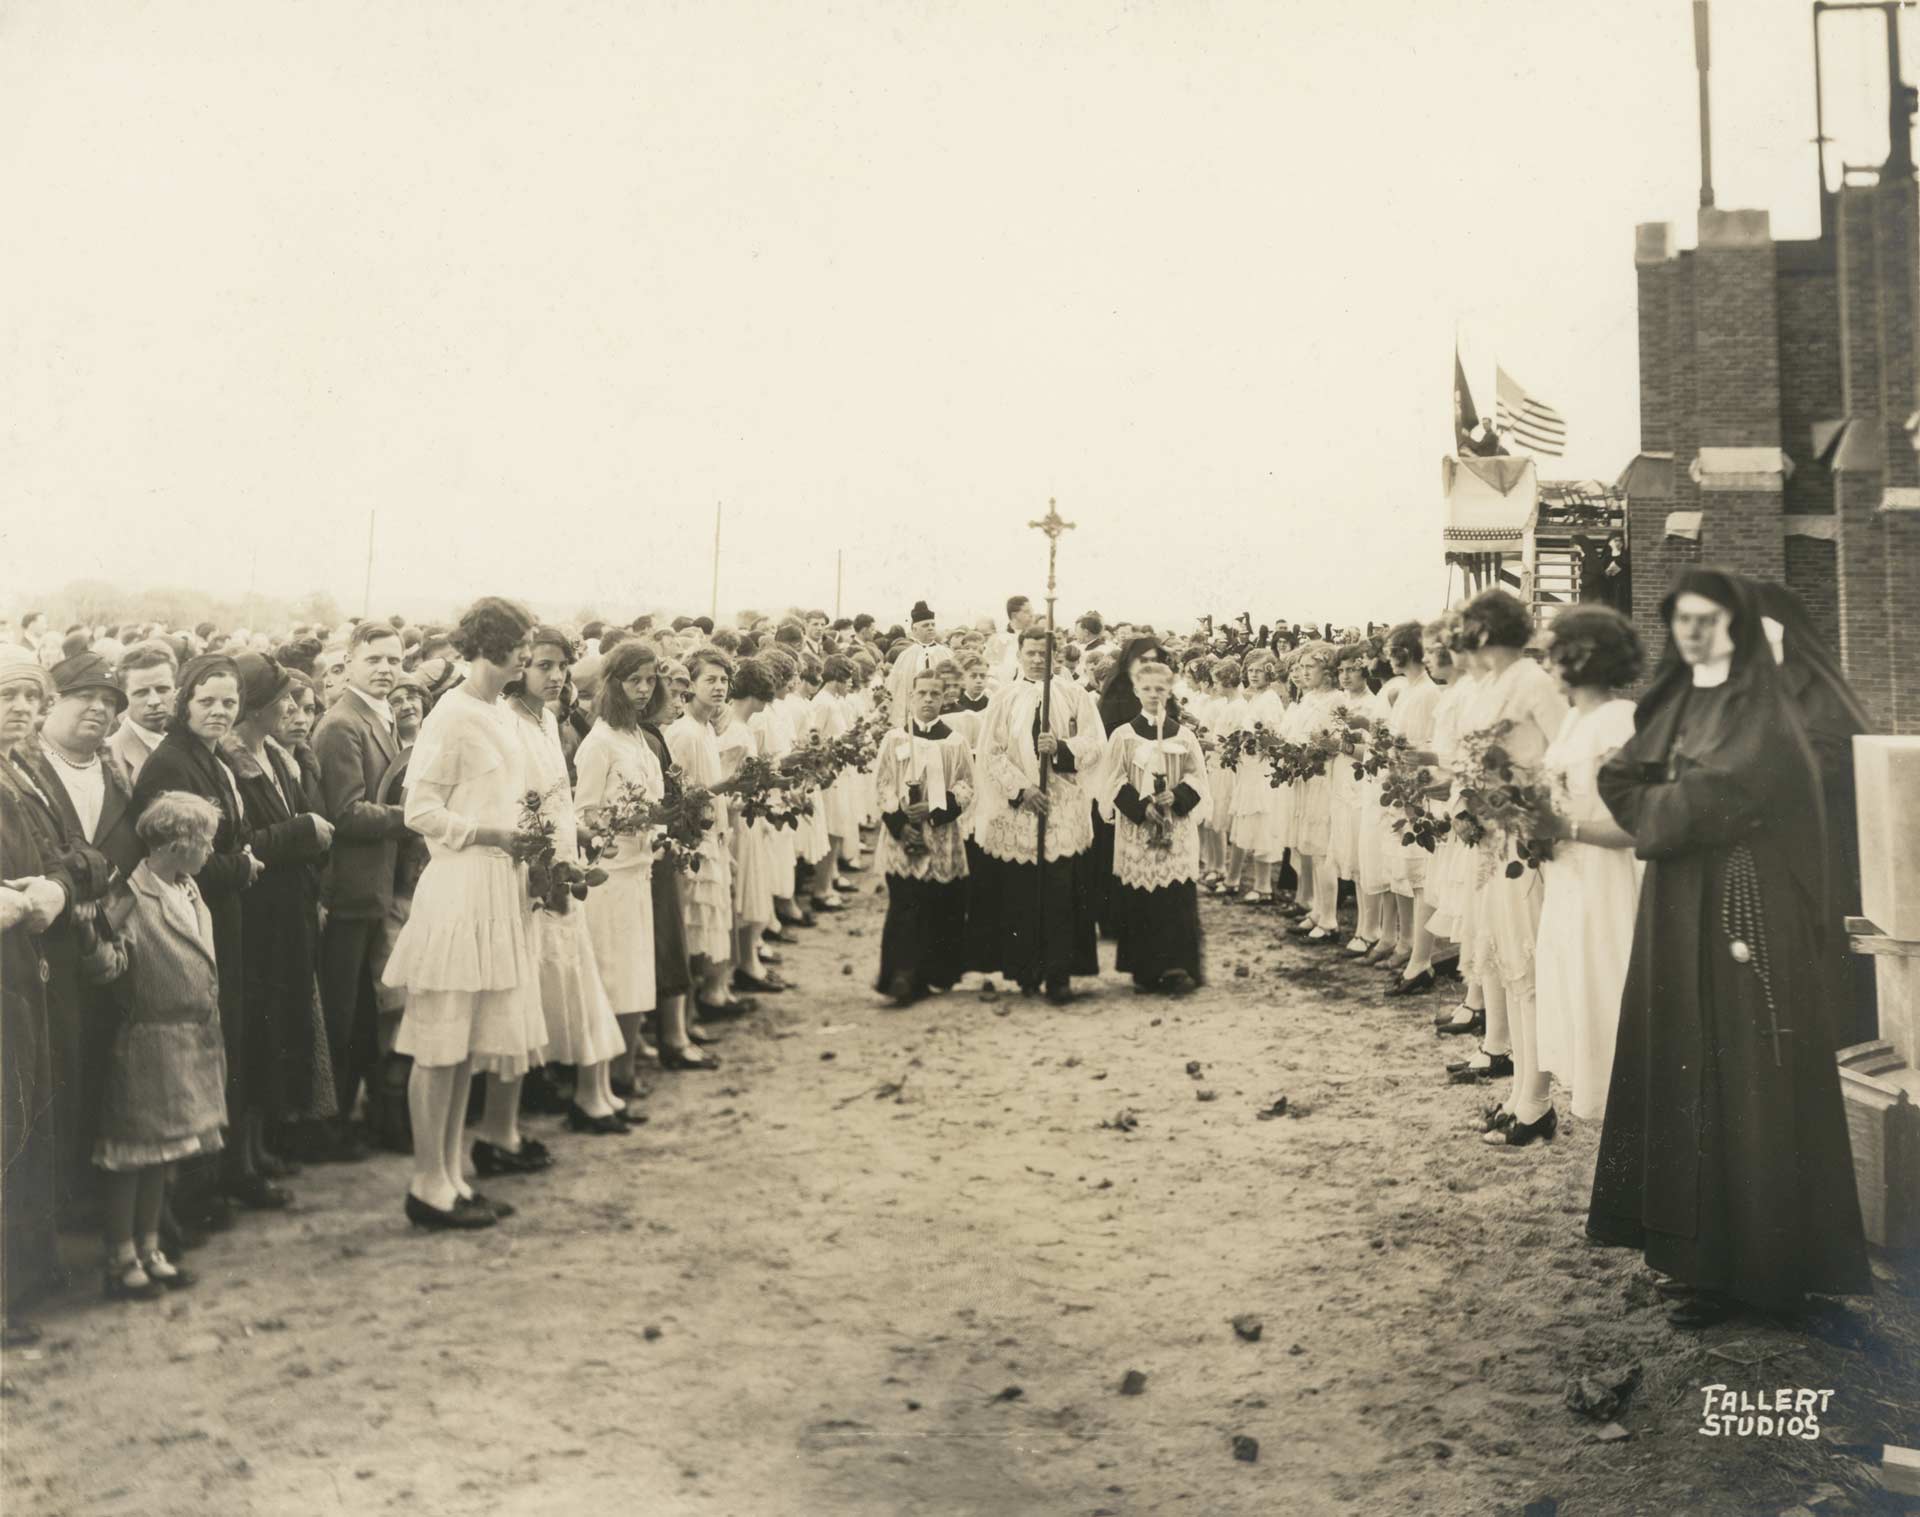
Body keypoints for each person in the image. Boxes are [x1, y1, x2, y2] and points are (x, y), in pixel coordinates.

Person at [1590, 570, 1872, 1324]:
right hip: (1676, 905)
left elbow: (1718, 795)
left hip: (1748, 911)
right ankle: (1701, 1264)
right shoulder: (1678, 700)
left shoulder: (1763, 709)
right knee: (1689, 1066)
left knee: (1751, 1079)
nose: (1692, 632)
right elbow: (1619, 777)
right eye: (1681, 618)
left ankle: (1774, 1273)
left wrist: (1667, 801)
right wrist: (1669, 800)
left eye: (1707, 619)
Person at [382, 597, 545, 1230]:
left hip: (496, 889)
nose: (526, 656)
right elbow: (419, 811)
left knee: (465, 1048)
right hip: (457, 893)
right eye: (520, 644)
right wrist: (491, 835)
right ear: (491, 646)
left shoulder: (499, 711)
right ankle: (427, 1184)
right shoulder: (449, 715)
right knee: (439, 1042)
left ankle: (451, 1178)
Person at [130, 655, 272, 1224]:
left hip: (221, 914)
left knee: (224, 1041)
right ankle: (194, 1196)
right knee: (198, 1047)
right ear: (185, 703)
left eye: (229, 702)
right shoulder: (172, 763)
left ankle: (220, 1177)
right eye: (207, 701)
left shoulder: (211, 757)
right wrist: (242, 866)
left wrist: (240, 860)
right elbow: (181, 856)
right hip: (188, 919)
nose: (219, 711)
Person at [78, 792, 230, 1301]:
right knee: (133, 1156)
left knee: (163, 1155)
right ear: (175, 843)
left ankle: (149, 1247)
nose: (211, 849)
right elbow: (107, 965)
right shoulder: (130, 896)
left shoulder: (188, 889)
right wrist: (91, 939)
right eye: (204, 840)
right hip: (146, 1044)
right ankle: (121, 1256)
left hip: (186, 1041)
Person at [505, 629, 629, 1139]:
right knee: (552, 979)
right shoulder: (509, 723)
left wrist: (580, 832)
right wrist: (548, 862)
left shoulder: (547, 719)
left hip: (563, 863)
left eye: (562, 667)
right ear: (520, 667)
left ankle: (592, 1092)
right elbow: (516, 805)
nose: (556, 676)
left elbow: (556, 800)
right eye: (544, 666)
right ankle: (571, 1097)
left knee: (577, 975)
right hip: (534, 875)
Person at [0, 650, 88, 1343]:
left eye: (32, 697)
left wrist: (55, 890)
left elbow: (54, 857)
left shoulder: (19, 772)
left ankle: (21, 1280)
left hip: (20, 968)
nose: (22, 709)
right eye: (8, 696)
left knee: (21, 1119)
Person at [223, 653, 335, 1187]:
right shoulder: (231, 763)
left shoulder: (274, 756)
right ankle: (242, 1159)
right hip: (258, 916)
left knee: (278, 1031)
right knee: (256, 1035)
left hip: (289, 910)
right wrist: (302, 831)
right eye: (282, 700)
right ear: (256, 709)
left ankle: (262, 1144)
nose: (292, 709)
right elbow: (240, 844)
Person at [1532, 608, 1643, 1124]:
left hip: (1606, 880)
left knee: (1604, 985)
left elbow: (1638, 827)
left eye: (1553, 654)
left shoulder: (1619, 721)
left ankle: (1624, 1112)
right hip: (1568, 877)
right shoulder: (1573, 721)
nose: (1547, 665)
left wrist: (1565, 828)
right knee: (1572, 983)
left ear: (1581, 658)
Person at [310, 619, 412, 1161]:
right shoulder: (341, 725)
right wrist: (412, 817)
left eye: (394, 660)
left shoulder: (378, 716)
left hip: (374, 885)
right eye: (374, 659)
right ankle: (330, 1125)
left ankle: (358, 1117)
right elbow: (346, 812)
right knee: (342, 1012)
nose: (386, 669)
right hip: (348, 890)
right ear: (348, 663)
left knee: (365, 1011)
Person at [972, 625, 1108, 1003]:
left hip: (1061, 807)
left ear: (1056, 656)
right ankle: (1025, 970)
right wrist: (1022, 789)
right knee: (1021, 893)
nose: (1036, 659)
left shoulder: (1075, 695)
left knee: (1060, 893)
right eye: (1030, 652)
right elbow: (991, 752)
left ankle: (1058, 974)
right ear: (1019, 654)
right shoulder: (1004, 697)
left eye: (1043, 653)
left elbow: (1096, 744)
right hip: (1020, 809)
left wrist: (1061, 747)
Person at [1097, 659, 1208, 993]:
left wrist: (1176, 796)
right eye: (1147, 689)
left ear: (1169, 691)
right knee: (1142, 897)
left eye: (1160, 689)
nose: (1154, 694)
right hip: (1139, 829)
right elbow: (1112, 779)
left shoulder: (1184, 735)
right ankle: (1145, 969)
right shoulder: (1123, 736)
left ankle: (1177, 966)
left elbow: (1198, 777)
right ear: (1136, 691)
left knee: (1175, 896)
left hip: (1175, 826)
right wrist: (1141, 807)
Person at [874, 667, 974, 1006]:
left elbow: (965, 785)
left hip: (940, 834)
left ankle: (932, 973)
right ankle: (901, 976)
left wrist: (936, 808)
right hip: (903, 837)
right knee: (905, 904)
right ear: (911, 697)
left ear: (944, 698)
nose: (928, 699)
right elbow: (883, 784)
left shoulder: (955, 742)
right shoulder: (895, 739)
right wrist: (900, 822)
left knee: (937, 904)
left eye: (935, 694)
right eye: (922, 693)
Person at [108, 641, 179, 784]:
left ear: (175, 689)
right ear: (123, 697)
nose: (154, 701)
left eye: (162, 690)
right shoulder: (109, 757)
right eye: (141, 693)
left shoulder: (195, 741)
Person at [884, 602, 945, 730]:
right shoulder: (905, 656)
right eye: (926, 625)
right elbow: (895, 689)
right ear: (914, 630)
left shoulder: (945, 653)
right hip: (913, 713)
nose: (930, 628)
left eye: (933, 625)